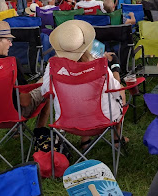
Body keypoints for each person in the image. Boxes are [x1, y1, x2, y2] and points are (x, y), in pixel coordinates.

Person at [40, 20, 126, 148]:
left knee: (79, 95)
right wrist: (115, 70)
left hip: (66, 120)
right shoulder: (98, 64)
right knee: (120, 90)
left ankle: (85, 141)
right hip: (102, 120)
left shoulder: (53, 67)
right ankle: (117, 139)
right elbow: (115, 90)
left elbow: (45, 91)